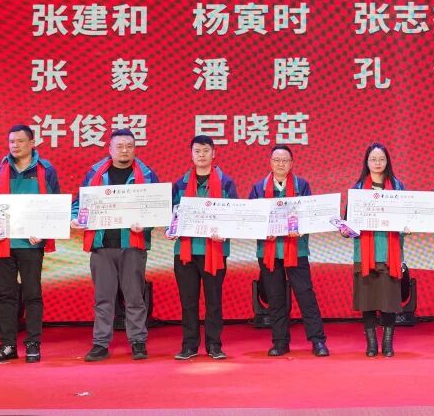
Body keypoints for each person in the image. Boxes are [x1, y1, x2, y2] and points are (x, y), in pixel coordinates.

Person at [72, 129, 160, 362]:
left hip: (132, 244)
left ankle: (138, 342)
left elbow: (158, 208)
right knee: (103, 299)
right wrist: (75, 218)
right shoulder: (95, 173)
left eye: (129, 146)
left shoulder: (147, 175)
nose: (124, 150)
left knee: (135, 298)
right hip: (102, 245)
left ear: (135, 149)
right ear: (109, 149)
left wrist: (147, 224)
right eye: (119, 146)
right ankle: (100, 344)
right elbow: (79, 203)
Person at [0, 124, 61, 363]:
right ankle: (8, 345)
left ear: (32, 143)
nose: (15, 146)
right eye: (11, 141)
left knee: (32, 293)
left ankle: (33, 343)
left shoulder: (46, 171)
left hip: (31, 244)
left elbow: (55, 206)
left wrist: (44, 230)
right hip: (3, 243)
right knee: (5, 295)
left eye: (20, 141)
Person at [247, 145, 329, 357]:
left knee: (305, 295)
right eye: (277, 160)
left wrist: (300, 229)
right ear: (270, 163)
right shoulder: (258, 188)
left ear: (292, 164)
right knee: (275, 298)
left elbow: (310, 216)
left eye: (285, 160)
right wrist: (264, 231)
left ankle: (318, 341)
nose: (281, 164)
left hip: (296, 248)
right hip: (269, 251)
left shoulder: (302, 185)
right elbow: (251, 218)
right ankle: (280, 342)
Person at [169, 135, 238, 360]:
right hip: (185, 252)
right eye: (197, 151)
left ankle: (214, 345)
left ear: (213, 153)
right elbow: (172, 214)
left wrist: (225, 231)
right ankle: (189, 346)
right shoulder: (180, 184)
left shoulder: (226, 183)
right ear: (191, 155)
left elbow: (234, 214)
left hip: (214, 251)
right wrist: (171, 229)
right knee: (188, 302)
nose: (201, 155)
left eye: (205, 151)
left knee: (213, 301)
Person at [342, 144, 409, 358]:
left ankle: (387, 343)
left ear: (387, 161)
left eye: (381, 159)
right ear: (367, 162)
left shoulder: (397, 187)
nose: (377, 163)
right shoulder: (357, 190)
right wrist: (345, 230)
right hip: (364, 254)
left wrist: (409, 226)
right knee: (368, 300)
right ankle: (371, 343)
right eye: (373, 159)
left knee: (389, 301)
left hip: (390, 253)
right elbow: (348, 224)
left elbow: (408, 217)